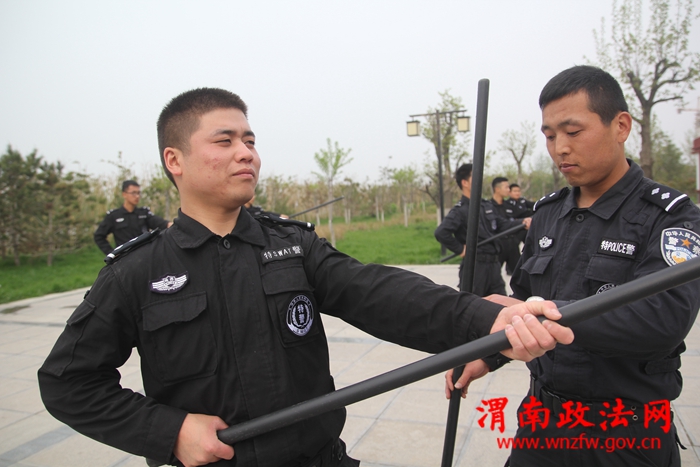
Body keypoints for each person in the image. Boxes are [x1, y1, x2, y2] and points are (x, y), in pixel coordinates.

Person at [38, 88, 573, 467]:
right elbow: (68, 382)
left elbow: (379, 292)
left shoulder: (291, 245)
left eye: (250, 140)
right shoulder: (137, 271)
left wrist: (489, 319)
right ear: (174, 160)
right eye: (225, 141)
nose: (246, 153)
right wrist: (170, 432)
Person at [447, 66, 700, 466]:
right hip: (542, 424)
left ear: (620, 126)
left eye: (573, 131)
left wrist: (544, 316)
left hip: (625, 435)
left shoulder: (670, 217)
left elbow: (662, 319)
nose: (560, 148)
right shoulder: (548, 213)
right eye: (550, 136)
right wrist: (488, 353)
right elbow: (523, 299)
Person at [434, 165, 530, 295]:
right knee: (473, 304)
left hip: (494, 266)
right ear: (465, 183)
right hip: (475, 267)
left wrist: (522, 222)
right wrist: (460, 249)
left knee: (499, 302)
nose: (480, 179)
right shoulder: (461, 210)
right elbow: (441, 232)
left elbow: (502, 224)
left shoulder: (486, 205)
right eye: (475, 176)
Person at [93, 180, 171, 255]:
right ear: (124, 194)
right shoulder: (114, 216)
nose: (137, 196)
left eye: (138, 193)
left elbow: (163, 224)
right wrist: (112, 254)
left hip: (144, 257)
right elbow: (99, 236)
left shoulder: (144, 213)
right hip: (124, 259)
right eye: (133, 193)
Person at [490, 177, 523, 276]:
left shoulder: (510, 206)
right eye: (506, 187)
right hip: (498, 245)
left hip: (512, 244)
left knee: (520, 276)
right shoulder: (488, 207)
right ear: (497, 189)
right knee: (492, 276)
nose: (509, 190)